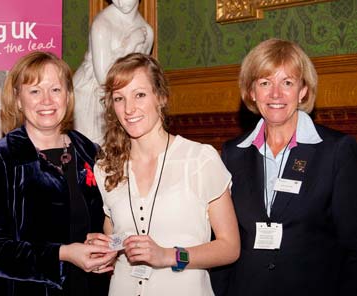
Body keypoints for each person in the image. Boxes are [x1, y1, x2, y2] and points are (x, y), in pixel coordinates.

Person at [210, 38, 357, 296]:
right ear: (252, 92)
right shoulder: (233, 154)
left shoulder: (336, 151)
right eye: (265, 83)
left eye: (287, 82)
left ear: (303, 91)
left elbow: (353, 247)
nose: (275, 94)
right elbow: (222, 241)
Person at [88, 53, 240, 296]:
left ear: (160, 97)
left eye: (139, 94)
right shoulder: (106, 167)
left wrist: (168, 256)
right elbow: (117, 239)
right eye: (119, 98)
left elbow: (230, 247)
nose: (129, 108)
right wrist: (104, 251)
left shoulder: (199, 159)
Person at [0, 51, 117, 296]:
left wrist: (108, 248)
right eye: (35, 91)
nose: (47, 100)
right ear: (18, 99)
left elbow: (106, 221)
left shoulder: (89, 152)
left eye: (56, 90)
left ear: (68, 96)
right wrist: (63, 254)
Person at [73, 0, 153, 144]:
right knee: (92, 156)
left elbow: (142, 76)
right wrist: (130, 44)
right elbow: (104, 80)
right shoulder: (102, 25)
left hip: (124, 100)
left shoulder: (147, 31)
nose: (120, 1)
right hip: (92, 98)